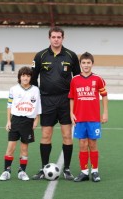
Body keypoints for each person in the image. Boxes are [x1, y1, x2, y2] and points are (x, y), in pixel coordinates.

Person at [31, 26, 81, 180]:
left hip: (66, 101)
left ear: (63, 38)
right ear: (49, 38)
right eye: (53, 37)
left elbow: (78, 79)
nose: (56, 39)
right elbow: (33, 79)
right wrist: (38, 97)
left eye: (59, 37)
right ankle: (43, 168)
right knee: (46, 135)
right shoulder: (40, 56)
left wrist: (76, 101)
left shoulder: (71, 56)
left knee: (67, 135)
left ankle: (66, 169)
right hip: (47, 101)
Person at [68, 52, 108, 182]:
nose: (86, 65)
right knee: (82, 144)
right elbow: (72, 98)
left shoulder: (98, 79)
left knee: (93, 144)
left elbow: (104, 96)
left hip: (93, 118)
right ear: (80, 64)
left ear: (92, 64)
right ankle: (84, 172)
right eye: (83, 63)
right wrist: (71, 113)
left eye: (88, 63)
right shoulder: (74, 80)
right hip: (79, 118)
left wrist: (105, 112)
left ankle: (95, 171)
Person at [0, 66, 42, 181]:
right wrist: (8, 121)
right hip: (15, 120)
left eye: (28, 76)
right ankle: (6, 171)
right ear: (19, 77)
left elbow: (38, 106)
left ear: (31, 78)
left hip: (28, 122)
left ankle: (22, 171)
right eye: (23, 75)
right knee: (11, 147)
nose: (25, 78)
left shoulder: (35, 90)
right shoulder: (13, 89)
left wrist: (36, 120)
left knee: (24, 148)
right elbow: (9, 105)